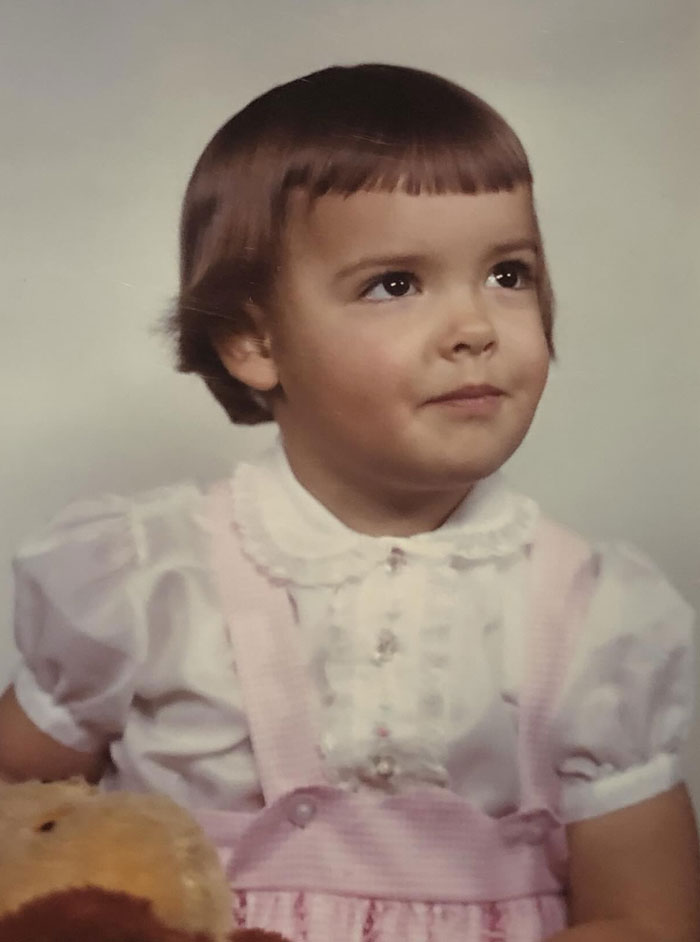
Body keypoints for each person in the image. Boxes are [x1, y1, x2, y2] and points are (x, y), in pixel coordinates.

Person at [0, 63, 698, 942]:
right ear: (255, 341)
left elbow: (649, 918)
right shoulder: (154, 579)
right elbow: (19, 812)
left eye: (508, 273)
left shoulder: (594, 618)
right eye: (396, 284)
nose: (476, 326)